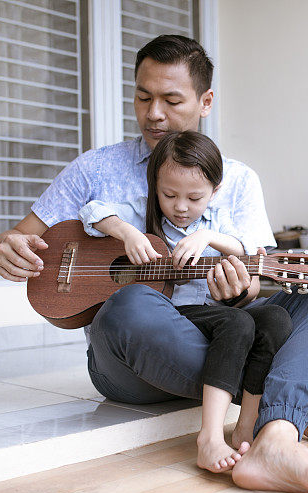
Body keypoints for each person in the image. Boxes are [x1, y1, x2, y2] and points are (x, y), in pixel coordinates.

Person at [0, 34, 308, 493]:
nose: (153, 113)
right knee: (130, 304)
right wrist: (5, 247)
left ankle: (275, 445)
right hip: (133, 360)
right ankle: (289, 403)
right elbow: (21, 234)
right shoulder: (95, 170)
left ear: (206, 101)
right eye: (143, 97)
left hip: (227, 336)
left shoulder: (240, 180)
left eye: (171, 99)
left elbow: (258, 282)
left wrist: (240, 290)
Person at [79, 130, 291, 473]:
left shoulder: (217, 224)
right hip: (163, 326)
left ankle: (244, 428)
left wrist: (208, 237)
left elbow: (249, 250)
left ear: (215, 191)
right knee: (237, 322)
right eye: (168, 194)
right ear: (155, 185)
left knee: (275, 318)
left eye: (194, 197)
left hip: (203, 324)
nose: (180, 207)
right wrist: (127, 233)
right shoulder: (139, 214)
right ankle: (209, 438)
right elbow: (91, 210)